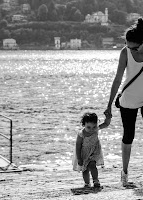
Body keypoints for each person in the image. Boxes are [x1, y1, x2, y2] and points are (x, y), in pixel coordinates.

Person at [104, 17, 143, 187]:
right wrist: (109, 105)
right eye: (127, 45)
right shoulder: (124, 52)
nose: (129, 48)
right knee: (129, 136)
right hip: (128, 99)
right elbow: (117, 79)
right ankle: (125, 172)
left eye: (132, 46)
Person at [72, 112, 111, 188]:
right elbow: (78, 146)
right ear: (84, 125)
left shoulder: (96, 129)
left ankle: (96, 180)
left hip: (94, 151)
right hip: (84, 153)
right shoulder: (81, 134)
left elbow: (106, 124)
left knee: (92, 165)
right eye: (88, 127)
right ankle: (87, 183)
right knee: (85, 169)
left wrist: (108, 117)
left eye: (94, 127)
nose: (91, 129)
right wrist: (79, 158)